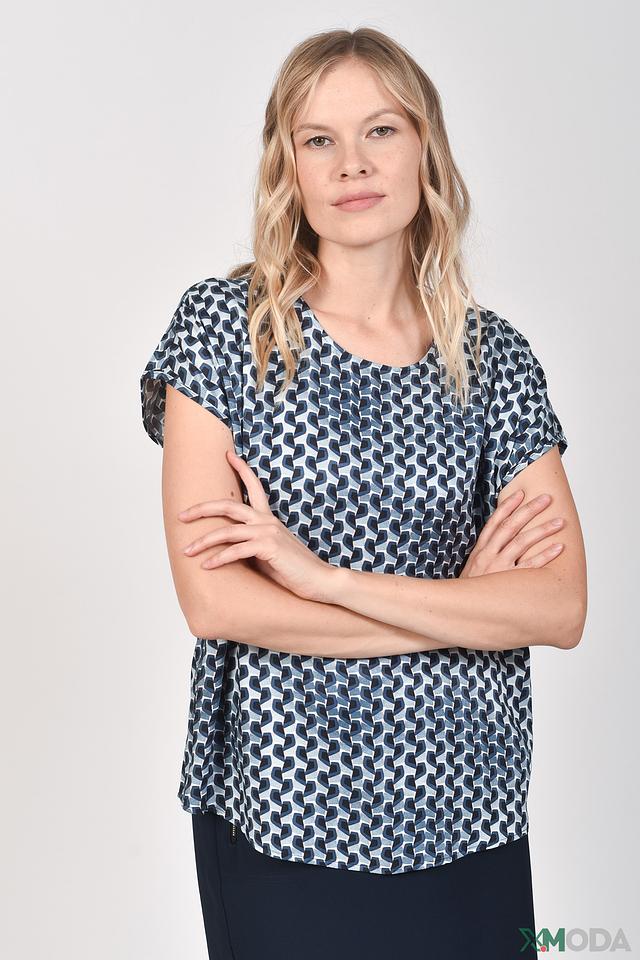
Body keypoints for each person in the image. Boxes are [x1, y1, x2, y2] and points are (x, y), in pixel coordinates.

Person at [140, 26, 587, 960]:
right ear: (289, 168)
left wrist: (326, 581)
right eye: (320, 139)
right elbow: (217, 602)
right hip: (282, 806)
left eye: (380, 130)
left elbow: (557, 605)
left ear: (426, 148)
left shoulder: (494, 360)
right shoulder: (224, 332)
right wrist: (463, 610)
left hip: (468, 805)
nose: (353, 163)